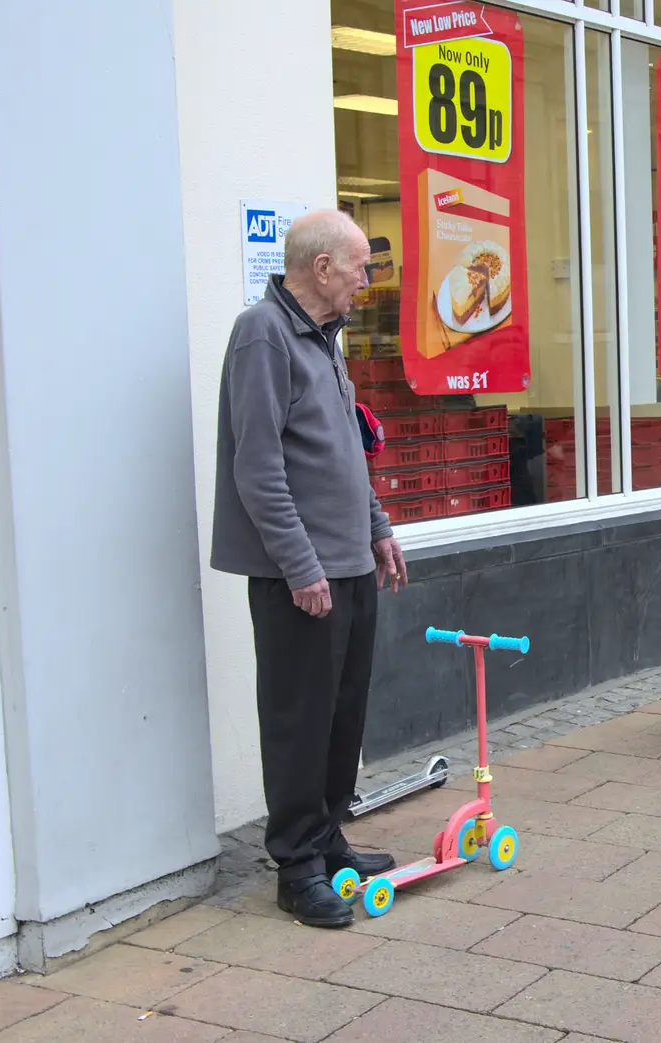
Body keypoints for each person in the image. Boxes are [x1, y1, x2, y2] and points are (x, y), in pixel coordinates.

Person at [211, 210, 409, 929]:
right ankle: (296, 866)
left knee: (341, 715)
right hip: (302, 572)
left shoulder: (327, 340)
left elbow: (345, 452)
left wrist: (378, 529)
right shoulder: (262, 334)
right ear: (321, 267)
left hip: (348, 561)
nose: (367, 279)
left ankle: (327, 839)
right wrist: (300, 565)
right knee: (300, 719)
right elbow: (257, 467)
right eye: (360, 266)